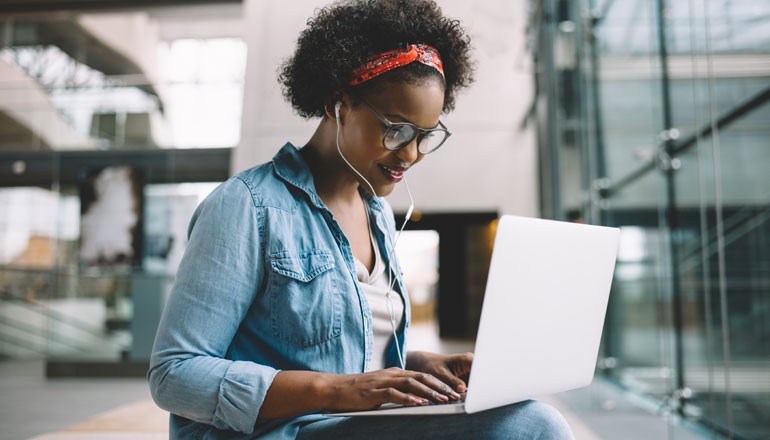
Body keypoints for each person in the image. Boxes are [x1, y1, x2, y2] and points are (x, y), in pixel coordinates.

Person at [148, 0, 575, 438]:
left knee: (521, 412)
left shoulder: (377, 217)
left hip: (352, 426)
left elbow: (347, 352)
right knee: (531, 427)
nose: (410, 154)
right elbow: (174, 375)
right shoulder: (245, 207)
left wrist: (420, 365)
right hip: (283, 432)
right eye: (397, 130)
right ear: (339, 105)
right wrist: (336, 391)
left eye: (425, 137)